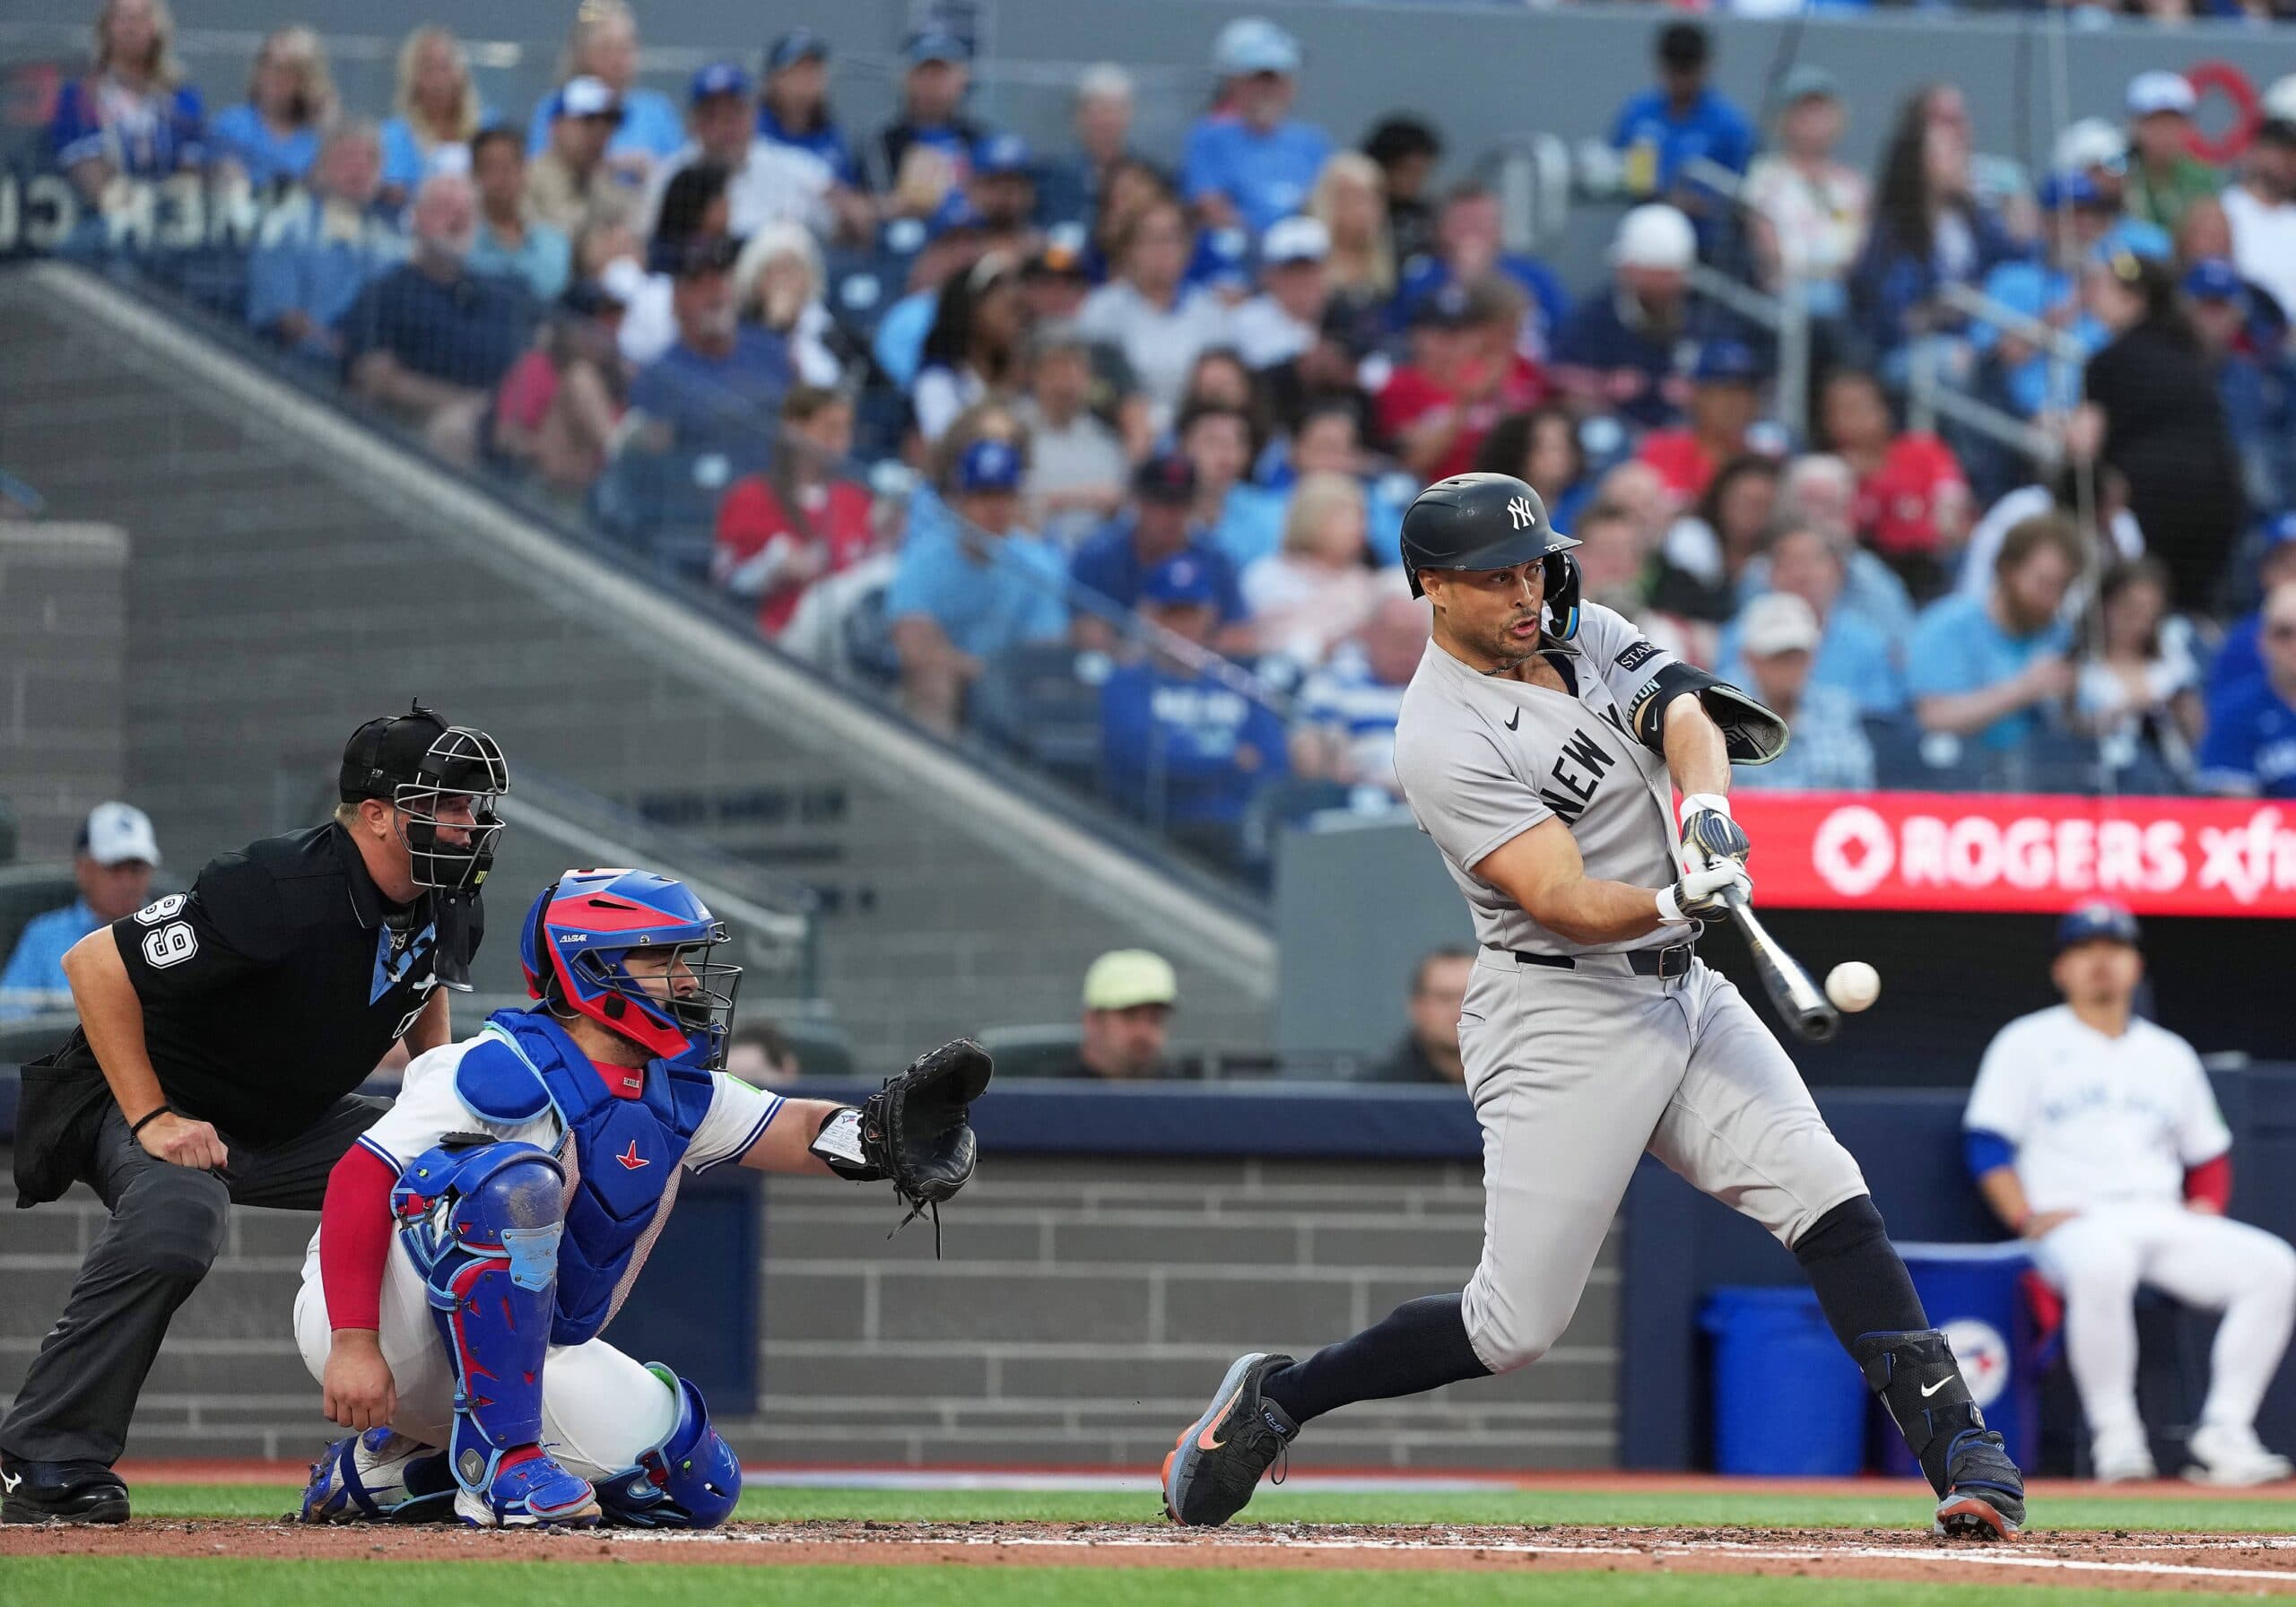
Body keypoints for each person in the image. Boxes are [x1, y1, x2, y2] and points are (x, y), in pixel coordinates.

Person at [1161, 472, 2023, 1540]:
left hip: (1684, 987)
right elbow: (1562, 899)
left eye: (1530, 565)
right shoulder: (1440, 734)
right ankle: (1281, 1398)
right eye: (1492, 578)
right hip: (1557, 1013)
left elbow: (1689, 714)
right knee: (1511, 1326)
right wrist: (1674, 892)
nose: (1525, 592)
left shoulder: (1581, 627)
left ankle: (1960, 1449)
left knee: (1826, 1191)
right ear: (1430, 586)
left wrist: (1704, 816)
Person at [290, 867, 986, 1527]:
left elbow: (795, 1127)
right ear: (589, 967)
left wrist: (877, 1138)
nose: (687, 979)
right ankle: (502, 1468)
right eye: (662, 959)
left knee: (692, 1487)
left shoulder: (678, 1092)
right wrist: (354, 1342)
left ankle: (384, 1474)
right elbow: (360, 1177)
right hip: (372, 1319)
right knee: (517, 1186)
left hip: (514, 1353)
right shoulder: (494, 1066)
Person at [0, 708, 506, 1524]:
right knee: (177, 1214)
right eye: (446, 803)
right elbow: (93, 964)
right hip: (146, 1096)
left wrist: (430, 1102)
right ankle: (42, 1461)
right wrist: (155, 1117)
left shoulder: (447, 893)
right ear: (377, 815)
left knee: (474, 1173)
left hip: (287, 1117)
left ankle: (443, 1445)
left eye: (470, 805)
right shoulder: (277, 885)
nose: (467, 823)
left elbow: (422, 986)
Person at [1965, 902, 2294, 1486]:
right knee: (2103, 1263)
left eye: (2114, 949)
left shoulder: (2169, 1053)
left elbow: (2208, 1153)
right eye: (2085, 950)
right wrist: (2023, 1214)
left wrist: (2207, 1209)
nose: (2101, 961)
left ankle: (2225, 1435)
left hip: (2157, 1215)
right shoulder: (2027, 1042)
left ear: (2135, 965)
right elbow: (1988, 1144)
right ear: (2061, 968)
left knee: (2277, 1269)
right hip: (2074, 1220)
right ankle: (2118, 1439)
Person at [2077, 250, 2246, 614]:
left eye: (2105, 287)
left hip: (2148, 503)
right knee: (2191, 609)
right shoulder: (2190, 354)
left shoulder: (2107, 361)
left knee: (2140, 605)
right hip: (2219, 500)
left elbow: (2084, 445)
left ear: (2132, 299)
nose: (2094, 296)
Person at [1098, 554, 1290, 863]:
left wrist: (1192, 757)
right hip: (1159, 826)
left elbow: (1272, 759)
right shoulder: (1128, 683)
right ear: (1150, 617)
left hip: (1237, 829)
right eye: (1171, 614)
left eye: (1191, 614)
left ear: (1209, 616)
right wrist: (1229, 758)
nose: (1182, 626)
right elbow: (1142, 755)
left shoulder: (1237, 683)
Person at [339, 172, 537, 464]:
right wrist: (464, 403)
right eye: (445, 209)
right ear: (417, 218)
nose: (458, 222)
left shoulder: (502, 296)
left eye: (466, 214)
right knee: (453, 430)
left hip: (505, 427)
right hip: (413, 432)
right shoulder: (389, 292)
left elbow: (532, 363)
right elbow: (375, 378)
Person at [887, 437, 1069, 735]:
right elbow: (914, 647)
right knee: (933, 680)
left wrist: (995, 680)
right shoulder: (925, 556)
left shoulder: (1039, 564)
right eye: (983, 495)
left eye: (1004, 496)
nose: (995, 508)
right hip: (944, 690)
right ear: (960, 499)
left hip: (1012, 699)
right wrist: (982, 673)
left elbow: (1044, 655)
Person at [1849, 87, 2020, 374]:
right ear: (1920, 162)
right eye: (1949, 153)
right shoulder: (1894, 230)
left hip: (1973, 344)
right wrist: (1950, 306)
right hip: (1910, 354)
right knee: (1954, 359)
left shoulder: (1978, 221)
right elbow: (1893, 317)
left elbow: (2008, 266)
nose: (1961, 161)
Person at [1906, 513, 2080, 755]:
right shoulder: (1948, 626)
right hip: (1957, 777)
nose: (2051, 599)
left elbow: (2079, 722)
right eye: (2043, 583)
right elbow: (1931, 717)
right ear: (2007, 570)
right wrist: (2025, 689)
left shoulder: (2060, 636)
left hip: (2038, 775)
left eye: (2061, 587)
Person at [624, 233, 792, 473]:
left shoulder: (771, 350)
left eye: (721, 278)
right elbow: (653, 470)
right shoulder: (657, 378)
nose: (715, 293)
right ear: (676, 299)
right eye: (699, 283)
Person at [713, 386, 872, 636]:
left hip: (847, 637)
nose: (840, 441)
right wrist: (772, 566)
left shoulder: (855, 499)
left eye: (846, 430)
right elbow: (725, 579)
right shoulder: (751, 496)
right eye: (829, 429)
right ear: (795, 429)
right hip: (775, 639)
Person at [244, 122, 402, 366]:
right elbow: (285, 321)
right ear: (319, 169)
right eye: (347, 157)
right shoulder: (285, 229)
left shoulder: (393, 247)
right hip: (302, 377)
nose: (360, 169)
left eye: (370, 160)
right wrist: (350, 360)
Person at [1076, 195, 1231, 434]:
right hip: (1115, 431)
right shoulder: (1102, 309)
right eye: (1152, 239)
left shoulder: (1211, 312)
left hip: (1192, 435)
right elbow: (1088, 383)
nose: (1163, 250)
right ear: (1129, 249)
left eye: (1172, 239)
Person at [1070, 452, 1249, 655]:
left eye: (1181, 503)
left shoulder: (1215, 560)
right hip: (1120, 675)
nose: (1172, 515)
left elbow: (1238, 637)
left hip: (1196, 679)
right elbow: (1087, 634)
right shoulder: (1099, 556)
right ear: (1138, 502)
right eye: (1161, 503)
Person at [1720, 522, 1902, 716]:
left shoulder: (1869, 644)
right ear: (1770, 575)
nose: (1800, 574)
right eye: (1788, 564)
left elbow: (1882, 719)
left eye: (1812, 562)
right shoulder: (1739, 636)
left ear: (1838, 572)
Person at [0, 804, 162, 1021]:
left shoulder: (171, 930)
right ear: (83, 869)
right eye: (114, 867)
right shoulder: (43, 937)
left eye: (136, 868)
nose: (127, 882)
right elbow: (10, 1022)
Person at [1816, 368, 1969, 594]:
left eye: (1862, 405)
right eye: (1843, 409)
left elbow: (1952, 519)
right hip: (1865, 576)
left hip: (1932, 565)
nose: (1855, 417)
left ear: (1883, 409)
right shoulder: (1827, 473)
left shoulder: (1923, 450)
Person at [645, 61, 833, 243]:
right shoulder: (669, 176)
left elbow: (839, 227)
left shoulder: (796, 170)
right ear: (693, 124)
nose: (723, 127)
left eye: (733, 114)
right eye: (711, 116)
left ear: (753, 115)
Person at [1551, 205, 1698, 432]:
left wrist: (1699, 392)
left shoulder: (1699, 314)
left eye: (1672, 276)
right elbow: (1559, 377)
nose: (1667, 286)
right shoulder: (1594, 318)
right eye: (1658, 275)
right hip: (1614, 431)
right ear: (1630, 270)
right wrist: (1603, 387)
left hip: (1681, 432)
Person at [1182, 17, 1331, 236]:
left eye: (1277, 79)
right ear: (1234, 83)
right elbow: (1209, 206)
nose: (1268, 90)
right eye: (1258, 79)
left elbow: (1327, 206)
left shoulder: (1313, 141)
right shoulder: (1207, 138)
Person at [49, 0, 205, 207]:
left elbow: (191, 173)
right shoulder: (79, 97)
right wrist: (120, 203)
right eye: (121, 18)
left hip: (169, 223)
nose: (131, 27)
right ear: (106, 28)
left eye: (141, 18)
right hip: (98, 222)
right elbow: (87, 171)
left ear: (157, 28)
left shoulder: (182, 99)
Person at [1395, 185, 1570, 367]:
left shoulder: (1535, 275)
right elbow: (1403, 338)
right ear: (1442, 230)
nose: (1473, 231)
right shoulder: (1420, 277)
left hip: (1526, 378)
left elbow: (1563, 335)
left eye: (1482, 222)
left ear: (1499, 229)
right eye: (1463, 222)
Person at [1743, 66, 1867, 321]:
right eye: (1803, 111)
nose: (1814, 120)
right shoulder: (1765, 177)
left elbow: (1861, 249)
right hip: (1787, 292)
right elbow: (1771, 250)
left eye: (1822, 110)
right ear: (1784, 118)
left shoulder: (1854, 184)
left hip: (1847, 292)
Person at [1608, 21, 1753, 238]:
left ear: (1705, 67)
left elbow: (1743, 195)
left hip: (1706, 242)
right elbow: (1619, 173)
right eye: (1674, 71)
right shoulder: (1639, 115)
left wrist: (1705, 205)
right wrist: (1661, 197)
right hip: (1645, 232)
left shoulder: (1730, 125)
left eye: (1688, 71)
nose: (1681, 81)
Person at [522, 0, 684, 181]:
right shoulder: (555, 110)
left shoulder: (657, 112)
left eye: (626, 49)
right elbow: (536, 174)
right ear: (581, 54)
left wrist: (652, 170)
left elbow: (681, 179)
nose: (618, 61)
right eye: (607, 50)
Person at [1291, 592, 1431, 803]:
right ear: (1370, 635)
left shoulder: (1444, 686)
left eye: (1416, 640)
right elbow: (1308, 751)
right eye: (1398, 639)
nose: (1408, 650)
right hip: (1360, 803)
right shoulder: (1334, 682)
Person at [1727, 594, 1876, 792]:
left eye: (1798, 656)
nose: (1790, 668)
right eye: (1778, 657)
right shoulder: (1721, 709)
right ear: (1750, 659)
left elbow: (1860, 787)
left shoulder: (1837, 709)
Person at [2077, 557, 2203, 784]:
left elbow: (2200, 736)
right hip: (2104, 782)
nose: (2137, 621)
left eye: (2148, 612)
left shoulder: (2174, 665)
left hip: (2174, 781)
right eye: (2129, 608)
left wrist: (2184, 710)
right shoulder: (2081, 669)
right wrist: (2125, 709)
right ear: (2105, 605)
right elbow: (2069, 732)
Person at [1241, 473, 1383, 667]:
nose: (1362, 529)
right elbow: (1271, 644)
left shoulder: (1364, 581)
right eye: (1350, 517)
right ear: (1314, 518)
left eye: (1363, 518)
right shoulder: (1268, 575)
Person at [1017, 323, 1127, 548]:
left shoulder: (1106, 439)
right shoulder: (1014, 432)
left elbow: (1117, 501)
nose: (1064, 384)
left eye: (1073, 371)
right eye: (1054, 372)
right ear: (1033, 376)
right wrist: (1082, 499)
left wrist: (1056, 501)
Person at [913, 254, 1028, 445]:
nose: (1014, 320)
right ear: (969, 310)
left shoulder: (1022, 374)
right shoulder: (938, 378)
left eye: (1016, 310)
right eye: (1004, 307)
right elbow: (943, 444)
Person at [2196, 579, 2296, 799]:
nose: (2294, 645)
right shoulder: (2235, 712)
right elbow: (2233, 813)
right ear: (2263, 641)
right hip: (2269, 831)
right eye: (2283, 633)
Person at [1635, 340, 1765, 503]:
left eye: (1746, 394)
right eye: (1725, 393)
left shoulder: (1760, 463)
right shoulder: (1660, 451)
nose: (1737, 404)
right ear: (1698, 395)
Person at [208, 24, 334, 190]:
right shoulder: (230, 126)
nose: (276, 77)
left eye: (290, 70)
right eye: (269, 64)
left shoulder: (320, 137)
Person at [874, 31, 985, 212]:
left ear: (962, 80)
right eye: (923, 73)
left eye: (940, 73)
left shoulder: (982, 141)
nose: (932, 83)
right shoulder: (880, 144)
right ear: (905, 78)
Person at [378, 27, 483, 208]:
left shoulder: (488, 128)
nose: (438, 80)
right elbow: (393, 191)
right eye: (428, 69)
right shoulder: (393, 135)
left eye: (445, 68)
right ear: (412, 78)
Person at [466, 126, 572, 303]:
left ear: (524, 171)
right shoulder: (461, 245)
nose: (502, 177)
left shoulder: (555, 243)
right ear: (474, 174)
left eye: (510, 166)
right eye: (491, 167)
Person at [1046, 950, 1178, 1081]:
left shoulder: (1184, 1092)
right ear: (1092, 1021)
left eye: (1155, 1018)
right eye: (1129, 1015)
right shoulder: (1049, 1096)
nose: (1143, 1031)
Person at [2205, 515, 2296, 700]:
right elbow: (2225, 714)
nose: (2294, 574)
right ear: (2265, 573)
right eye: (2285, 565)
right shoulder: (2243, 641)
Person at [2122, 73, 2222, 240]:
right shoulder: (2120, 174)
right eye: (2155, 123)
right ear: (2135, 126)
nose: (2165, 133)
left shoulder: (2201, 177)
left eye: (2173, 123)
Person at [1038, 64, 1138, 230]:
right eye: (1098, 111)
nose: (1107, 121)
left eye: (1114, 111)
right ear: (1078, 116)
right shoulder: (1050, 176)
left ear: (1129, 115)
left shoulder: (1147, 178)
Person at [526, 76, 627, 235]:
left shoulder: (604, 181)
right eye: (588, 120)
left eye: (609, 121)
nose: (600, 132)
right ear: (556, 126)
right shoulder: (526, 180)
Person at [1230, 215, 1331, 371]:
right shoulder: (1246, 324)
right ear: (1269, 276)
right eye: (1291, 272)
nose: (1301, 282)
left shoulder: (1344, 316)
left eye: (1308, 270)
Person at [2222, 119, 2296, 327]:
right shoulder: (2227, 209)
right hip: (2245, 333)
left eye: (2293, 153)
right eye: (2280, 150)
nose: (2288, 161)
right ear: (2255, 151)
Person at [1367, 949, 1472, 1084]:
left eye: (1471, 998)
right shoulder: (1378, 1090)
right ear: (1417, 1006)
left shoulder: (1506, 1083)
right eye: (1445, 998)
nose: (1458, 1011)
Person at [1362, 116, 1444, 270]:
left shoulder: (1425, 219)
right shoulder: (1356, 215)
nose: (1415, 180)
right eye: (1409, 170)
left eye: (1423, 173)